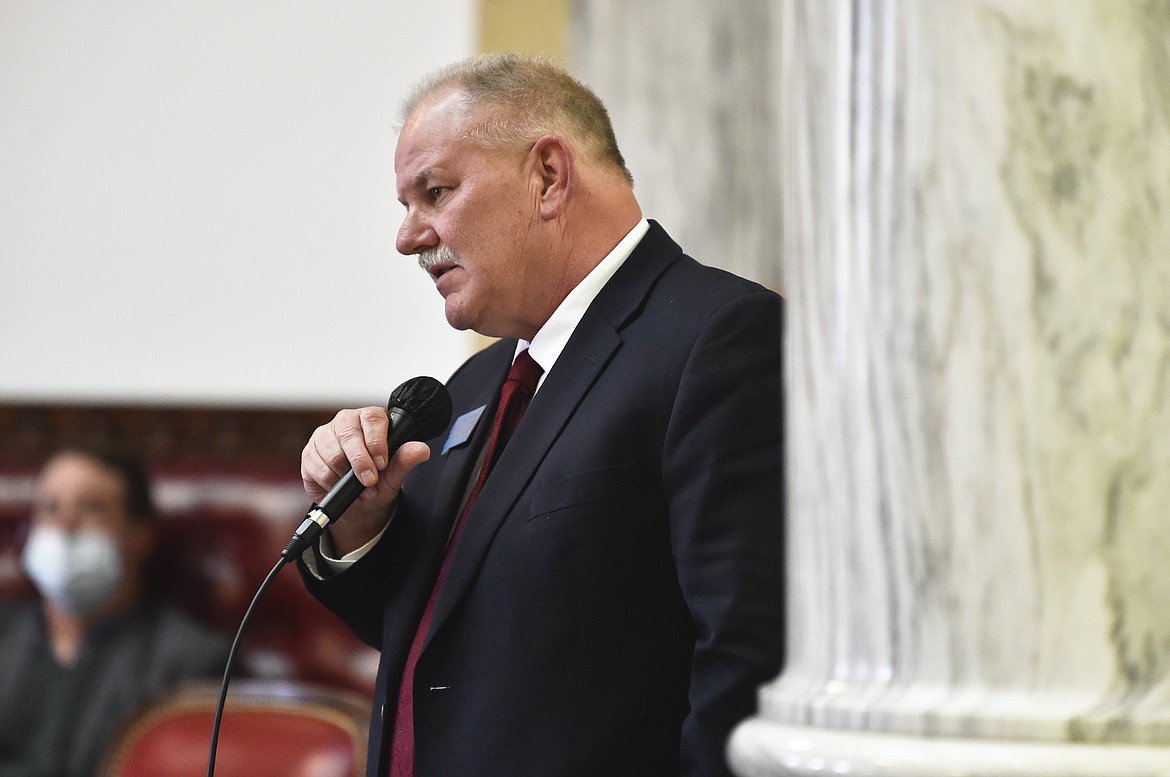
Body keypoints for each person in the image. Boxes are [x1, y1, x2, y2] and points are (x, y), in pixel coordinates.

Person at [298, 52, 784, 777]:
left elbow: (748, 658)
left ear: (548, 176)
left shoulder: (718, 339)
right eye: (406, 206)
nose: (408, 235)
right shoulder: (472, 383)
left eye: (434, 192)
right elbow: (437, 636)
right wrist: (361, 527)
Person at [0, 447, 231, 777]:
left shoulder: (190, 660)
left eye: (91, 508)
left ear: (140, 535)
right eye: (50, 507)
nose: (65, 525)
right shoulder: (4, 633)